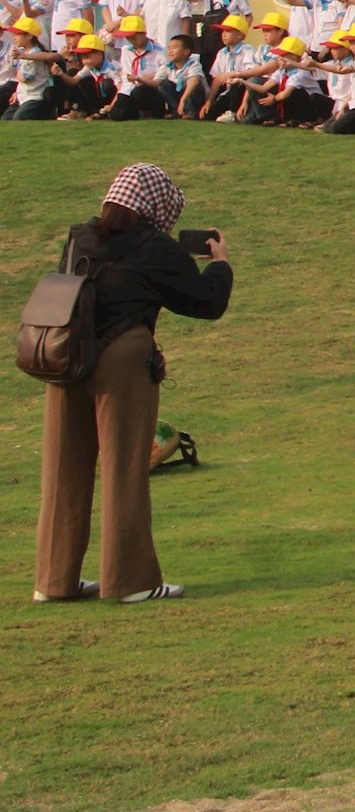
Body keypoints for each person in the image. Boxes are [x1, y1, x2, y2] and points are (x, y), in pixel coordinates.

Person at [33, 163, 233, 604]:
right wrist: (220, 264)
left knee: (63, 467)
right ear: (154, 206)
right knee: (123, 469)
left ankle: (53, 581)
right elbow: (206, 302)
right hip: (121, 359)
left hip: (66, 356)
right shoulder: (155, 247)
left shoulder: (80, 237)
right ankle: (131, 581)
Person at [100, 17, 166, 121]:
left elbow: (164, 73)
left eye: (133, 37)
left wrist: (143, 78)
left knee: (140, 93)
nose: (131, 40)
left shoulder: (159, 50)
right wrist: (122, 96)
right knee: (117, 115)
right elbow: (127, 76)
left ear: (143, 34)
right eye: (128, 38)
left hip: (152, 89)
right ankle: (136, 113)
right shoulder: (126, 50)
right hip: (131, 87)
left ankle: (151, 112)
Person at [6, 15, 61, 121]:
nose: (14, 37)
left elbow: (24, 78)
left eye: (18, 34)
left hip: (35, 97)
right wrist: (17, 92)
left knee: (19, 119)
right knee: (6, 119)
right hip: (23, 96)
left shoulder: (33, 54)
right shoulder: (24, 53)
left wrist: (16, 70)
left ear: (29, 36)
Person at [157, 34, 208, 120]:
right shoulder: (167, 66)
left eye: (174, 48)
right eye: (169, 48)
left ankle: (191, 111)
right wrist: (139, 79)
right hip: (180, 97)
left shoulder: (194, 64)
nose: (170, 51)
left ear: (186, 52)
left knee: (193, 85)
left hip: (194, 98)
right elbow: (156, 82)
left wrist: (183, 100)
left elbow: (194, 81)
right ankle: (177, 111)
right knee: (163, 84)